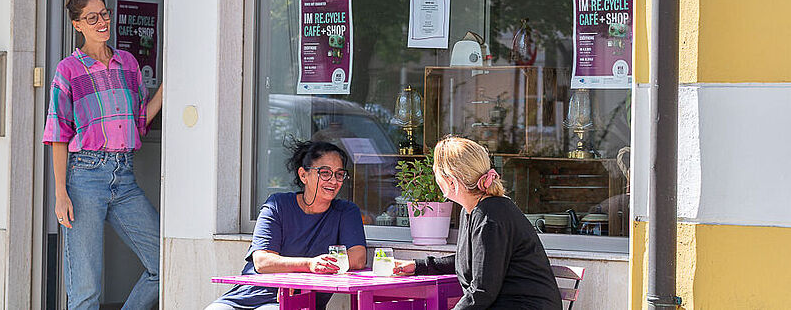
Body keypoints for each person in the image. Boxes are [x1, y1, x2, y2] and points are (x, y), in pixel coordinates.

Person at [43, 0, 164, 309]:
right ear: (77, 25)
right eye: (92, 18)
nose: (102, 22)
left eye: (104, 14)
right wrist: (60, 193)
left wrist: (166, 89)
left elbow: (140, 121)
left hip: (124, 178)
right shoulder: (68, 71)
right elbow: (57, 133)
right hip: (84, 179)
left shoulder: (127, 64)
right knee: (85, 290)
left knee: (163, 264)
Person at [393, 136, 562, 310]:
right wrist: (419, 266)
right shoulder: (478, 210)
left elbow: (482, 291)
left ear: (451, 181)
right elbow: (474, 260)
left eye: (436, 171)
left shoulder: (489, 217)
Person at [207, 140, 367, 310]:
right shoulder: (277, 205)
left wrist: (321, 266)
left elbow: (358, 258)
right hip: (245, 296)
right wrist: (310, 265)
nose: (333, 181)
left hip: (298, 302)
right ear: (303, 175)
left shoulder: (346, 211)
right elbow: (262, 261)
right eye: (325, 173)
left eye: (339, 174)